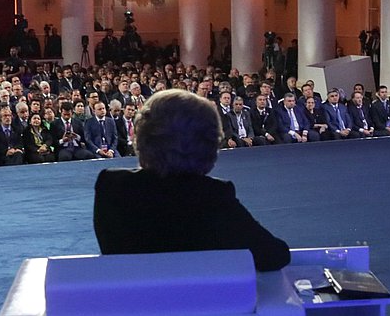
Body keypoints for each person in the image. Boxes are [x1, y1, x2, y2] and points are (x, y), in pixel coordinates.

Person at [93, 89, 290, 272]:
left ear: (142, 139)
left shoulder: (110, 186)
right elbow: (273, 256)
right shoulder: (212, 195)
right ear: (208, 145)